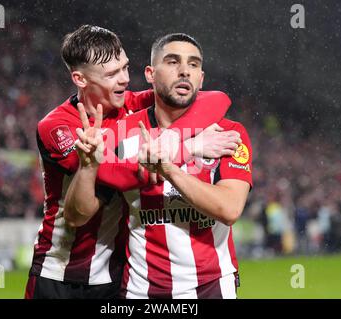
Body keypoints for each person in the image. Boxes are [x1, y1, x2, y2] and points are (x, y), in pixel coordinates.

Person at [25, 25, 241, 299]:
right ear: (80, 79)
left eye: (125, 68)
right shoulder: (58, 126)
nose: (125, 79)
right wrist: (188, 147)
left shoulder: (131, 106)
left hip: (116, 274)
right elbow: (107, 172)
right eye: (112, 74)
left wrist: (171, 140)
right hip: (59, 270)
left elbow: (215, 99)